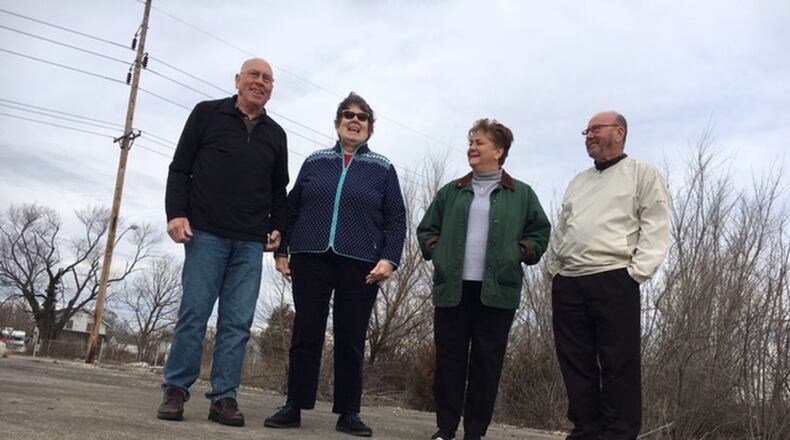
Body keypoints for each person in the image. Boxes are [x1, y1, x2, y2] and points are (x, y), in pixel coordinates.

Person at [263, 92, 407, 437]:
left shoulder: (382, 169)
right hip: (310, 256)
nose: (354, 121)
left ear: (370, 128)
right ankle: (294, 405)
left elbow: (396, 219)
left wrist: (389, 259)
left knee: (351, 336)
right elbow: (292, 207)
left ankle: (349, 412)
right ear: (337, 123)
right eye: (347, 115)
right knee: (306, 331)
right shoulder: (315, 162)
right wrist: (282, 252)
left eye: (361, 117)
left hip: (360, 263)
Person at [157, 58, 288, 427]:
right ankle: (176, 391)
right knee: (194, 314)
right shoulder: (206, 114)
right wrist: (176, 213)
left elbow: (279, 189)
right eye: (253, 76)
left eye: (267, 79)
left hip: (249, 242)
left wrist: (279, 227)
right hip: (206, 235)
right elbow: (180, 168)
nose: (259, 83)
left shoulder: (276, 135)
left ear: (272, 88)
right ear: (238, 80)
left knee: (237, 323)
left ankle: (224, 399)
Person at [417, 119, 551, 440]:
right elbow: (426, 230)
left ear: (499, 151)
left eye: (480, 143)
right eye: (471, 143)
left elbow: (540, 232)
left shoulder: (522, 194)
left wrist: (519, 252)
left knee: (486, 366)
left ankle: (475, 432)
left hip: (497, 293)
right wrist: (439, 251)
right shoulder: (451, 192)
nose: (472, 148)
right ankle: (445, 430)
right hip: (453, 290)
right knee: (449, 363)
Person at [548, 112, 671, 439]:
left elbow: (657, 226)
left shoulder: (642, 174)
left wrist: (636, 273)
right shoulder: (579, 181)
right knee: (575, 363)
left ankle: (618, 433)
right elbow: (562, 227)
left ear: (620, 132)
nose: (589, 135)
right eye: (586, 130)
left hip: (614, 278)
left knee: (619, 364)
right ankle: (586, 430)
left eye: (595, 129)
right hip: (569, 281)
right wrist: (554, 268)